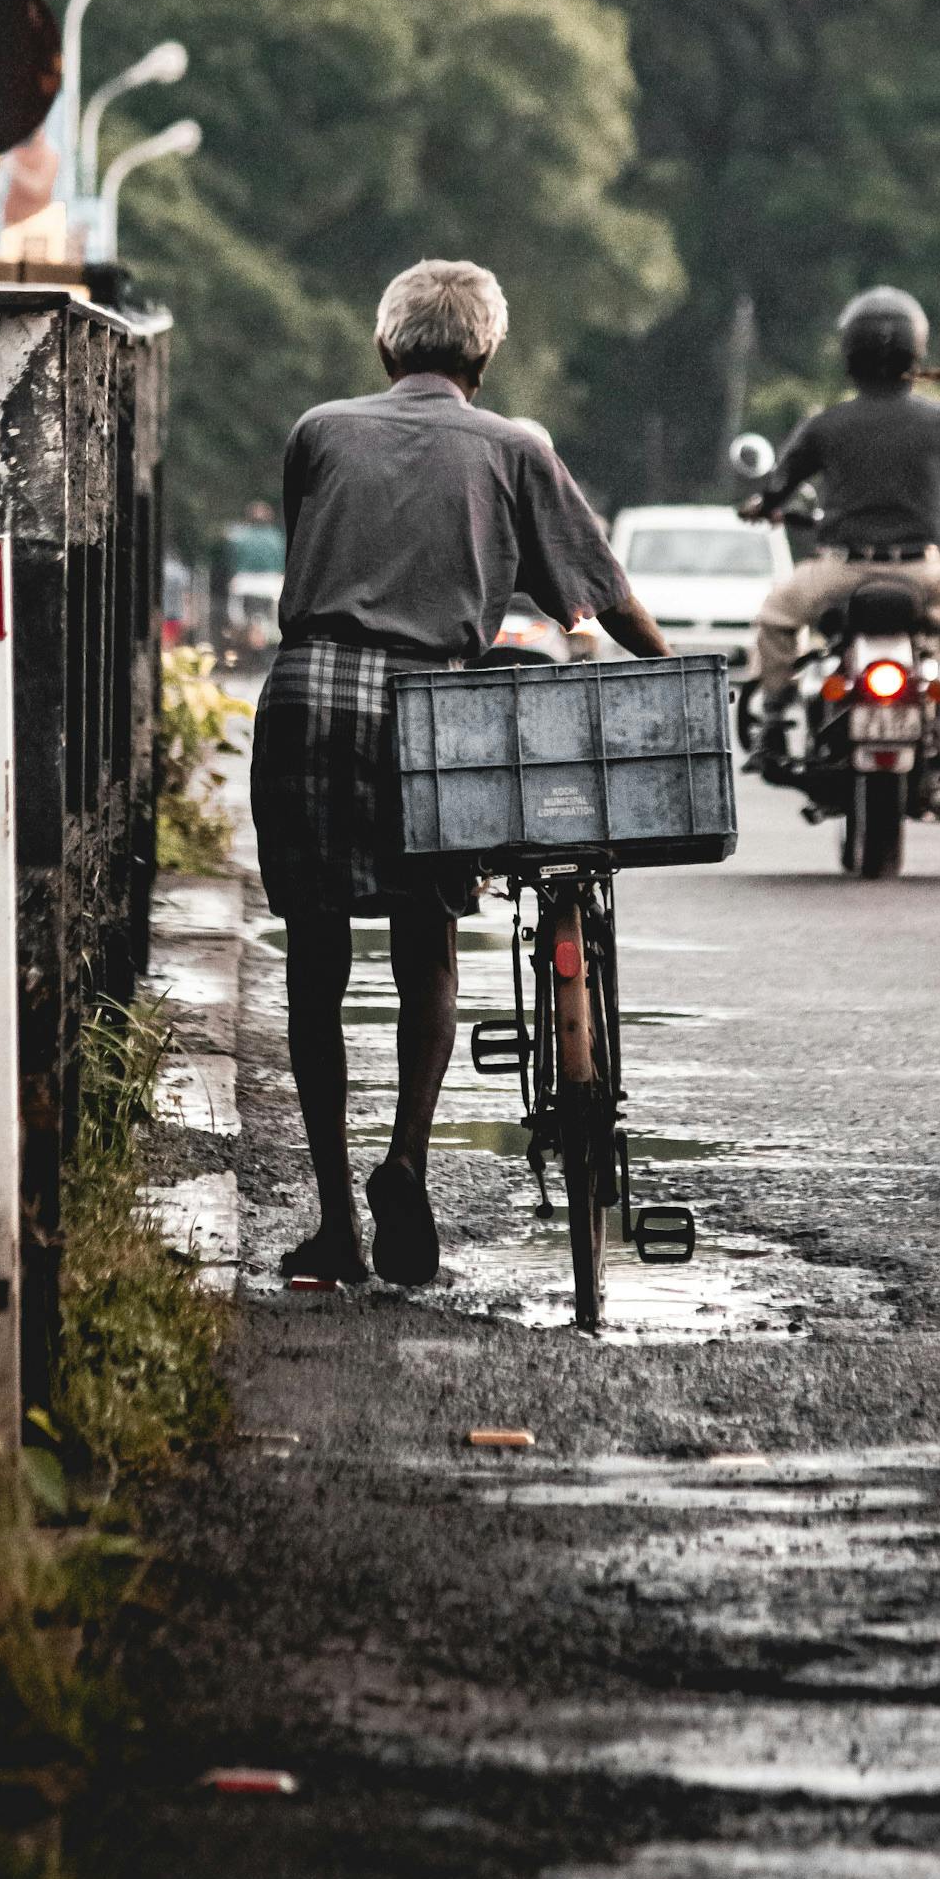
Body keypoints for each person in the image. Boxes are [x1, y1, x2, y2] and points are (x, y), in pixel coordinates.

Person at [251, 257, 672, 1290]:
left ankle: (334, 1227)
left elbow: (320, 540)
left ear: (386, 347)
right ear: (485, 353)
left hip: (308, 693)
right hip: (430, 706)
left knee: (315, 956)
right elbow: (600, 592)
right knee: (426, 940)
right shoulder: (516, 449)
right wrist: (671, 676)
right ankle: (406, 1161)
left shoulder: (320, 431)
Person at [745, 288, 940, 791]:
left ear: (849, 353)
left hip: (841, 573)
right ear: (915, 354)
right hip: (922, 574)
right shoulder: (937, 420)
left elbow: (780, 485)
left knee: (776, 617)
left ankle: (772, 727)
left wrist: (766, 509)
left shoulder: (827, 423)